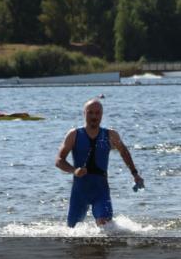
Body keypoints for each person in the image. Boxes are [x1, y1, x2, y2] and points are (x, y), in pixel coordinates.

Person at [55, 98, 145, 228]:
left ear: (102, 115)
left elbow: (124, 153)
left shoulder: (110, 135)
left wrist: (135, 174)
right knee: (71, 231)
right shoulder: (74, 134)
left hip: (101, 191)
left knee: (106, 228)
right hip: (80, 191)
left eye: (97, 113)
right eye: (90, 113)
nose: (94, 116)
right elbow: (59, 160)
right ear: (84, 113)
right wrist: (74, 170)